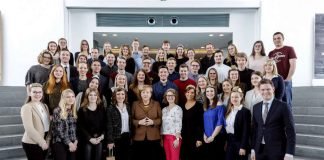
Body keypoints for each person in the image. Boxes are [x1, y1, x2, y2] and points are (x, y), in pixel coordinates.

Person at [251, 79, 296, 160]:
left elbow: (290, 130)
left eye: (268, 89)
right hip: (259, 150)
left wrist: (289, 152)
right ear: (259, 91)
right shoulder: (256, 107)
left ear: (273, 89)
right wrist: (253, 149)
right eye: (263, 89)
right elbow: (255, 130)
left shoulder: (283, 106)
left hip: (277, 150)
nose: (265, 92)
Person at [132, 85, 162, 160]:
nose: (145, 94)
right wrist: (139, 122)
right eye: (143, 92)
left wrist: (153, 122)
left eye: (147, 92)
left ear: (151, 94)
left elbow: (161, 119)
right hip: (139, 137)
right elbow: (131, 119)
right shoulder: (135, 104)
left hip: (154, 136)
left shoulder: (156, 104)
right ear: (140, 94)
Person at [21, 83, 51, 160]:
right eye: (34, 92)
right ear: (30, 93)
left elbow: (48, 125)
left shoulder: (44, 106)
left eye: (40, 92)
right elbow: (29, 129)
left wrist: (47, 140)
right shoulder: (27, 107)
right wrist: (42, 142)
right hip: (32, 142)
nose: (37, 94)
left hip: (45, 139)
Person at [268, 32, 297, 109]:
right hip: (274, 81)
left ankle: (288, 120)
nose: (276, 40)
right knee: (275, 103)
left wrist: (288, 79)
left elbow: (293, 65)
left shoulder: (289, 49)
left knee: (286, 103)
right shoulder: (271, 53)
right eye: (274, 39)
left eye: (278, 38)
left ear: (283, 39)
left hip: (285, 80)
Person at [77, 88, 106, 160]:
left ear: (97, 97)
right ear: (87, 97)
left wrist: (102, 135)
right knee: (88, 153)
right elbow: (80, 126)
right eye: (90, 95)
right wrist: (89, 138)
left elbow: (105, 124)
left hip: (99, 138)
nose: (93, 97)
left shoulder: (101, 108)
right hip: (87, 139)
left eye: (95, 95)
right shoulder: (82, 110)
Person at [225, 86, 251, 160]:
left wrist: (243, 147)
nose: (234, 99)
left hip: (239, 142)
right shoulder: (228, 111)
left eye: (236, 97)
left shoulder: (245, 111)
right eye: (232, 97)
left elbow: (246, 131)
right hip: (229, 141)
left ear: (241, 97)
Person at [52, 89, 78, 160]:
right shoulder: (57, 111)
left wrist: (75, 141)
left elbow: (76, 129)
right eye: (68, 97)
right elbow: (59, 131)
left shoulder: (74, 111)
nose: (71, 99)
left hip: (72, 142)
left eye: (73, 96)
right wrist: (70, 143)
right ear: (63, 98)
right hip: (60, 142)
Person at [106, 87, 131, 160]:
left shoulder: (128, 107)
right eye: (118, 94)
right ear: (114, 96)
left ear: (125, 96)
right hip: (116, 137)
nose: (120, 96)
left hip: (127, 137)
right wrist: (110, 141)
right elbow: (109, 125)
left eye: (122, 94)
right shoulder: (110, 108)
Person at [202, 85, 226, 160]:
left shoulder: (220, 105)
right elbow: (205, 122)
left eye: (211, 91)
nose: (209, 93)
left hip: (217, 136)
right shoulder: (206, 105)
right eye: (207, 91)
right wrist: (204, 134)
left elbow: (220, 123)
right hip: (207, 137)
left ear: (215, 92)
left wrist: (212, 136)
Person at [181, 85, 204, 160]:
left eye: (192, 92)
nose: (189, 94)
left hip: (195, 137)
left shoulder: (199, 106)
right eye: (188, 92)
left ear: (195, 94)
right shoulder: (181, 106)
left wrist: (199, 138)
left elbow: (201, 123)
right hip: (183, 137)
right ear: (185, 93)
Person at [162, 89, 183, 160]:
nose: (170, 97)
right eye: (168, 95)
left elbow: (178, 123)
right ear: (166, 97)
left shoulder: (178, 109)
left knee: (174, 158)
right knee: (168, 158)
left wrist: (177, 139)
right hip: (165, 137)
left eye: (172, 95)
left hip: (174, 137)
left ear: (175, 97)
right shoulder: (164, 110)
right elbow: (162, 124)